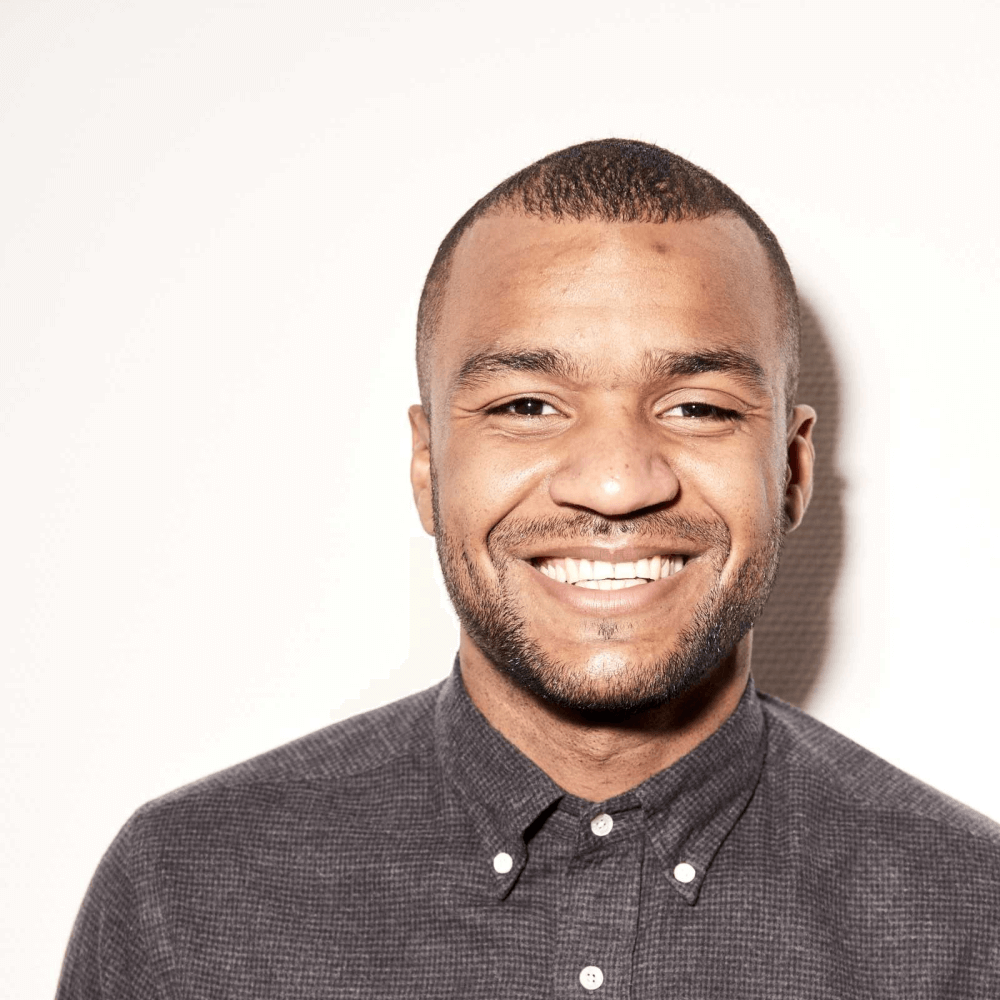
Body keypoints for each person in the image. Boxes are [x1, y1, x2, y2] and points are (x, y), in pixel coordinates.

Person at [56, 139, 1000, 999]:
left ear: (791, 469)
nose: (616, 484)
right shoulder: (188, 896)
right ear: (428, 466)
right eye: (526, 406)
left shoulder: (973, 918)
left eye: (698, 407)